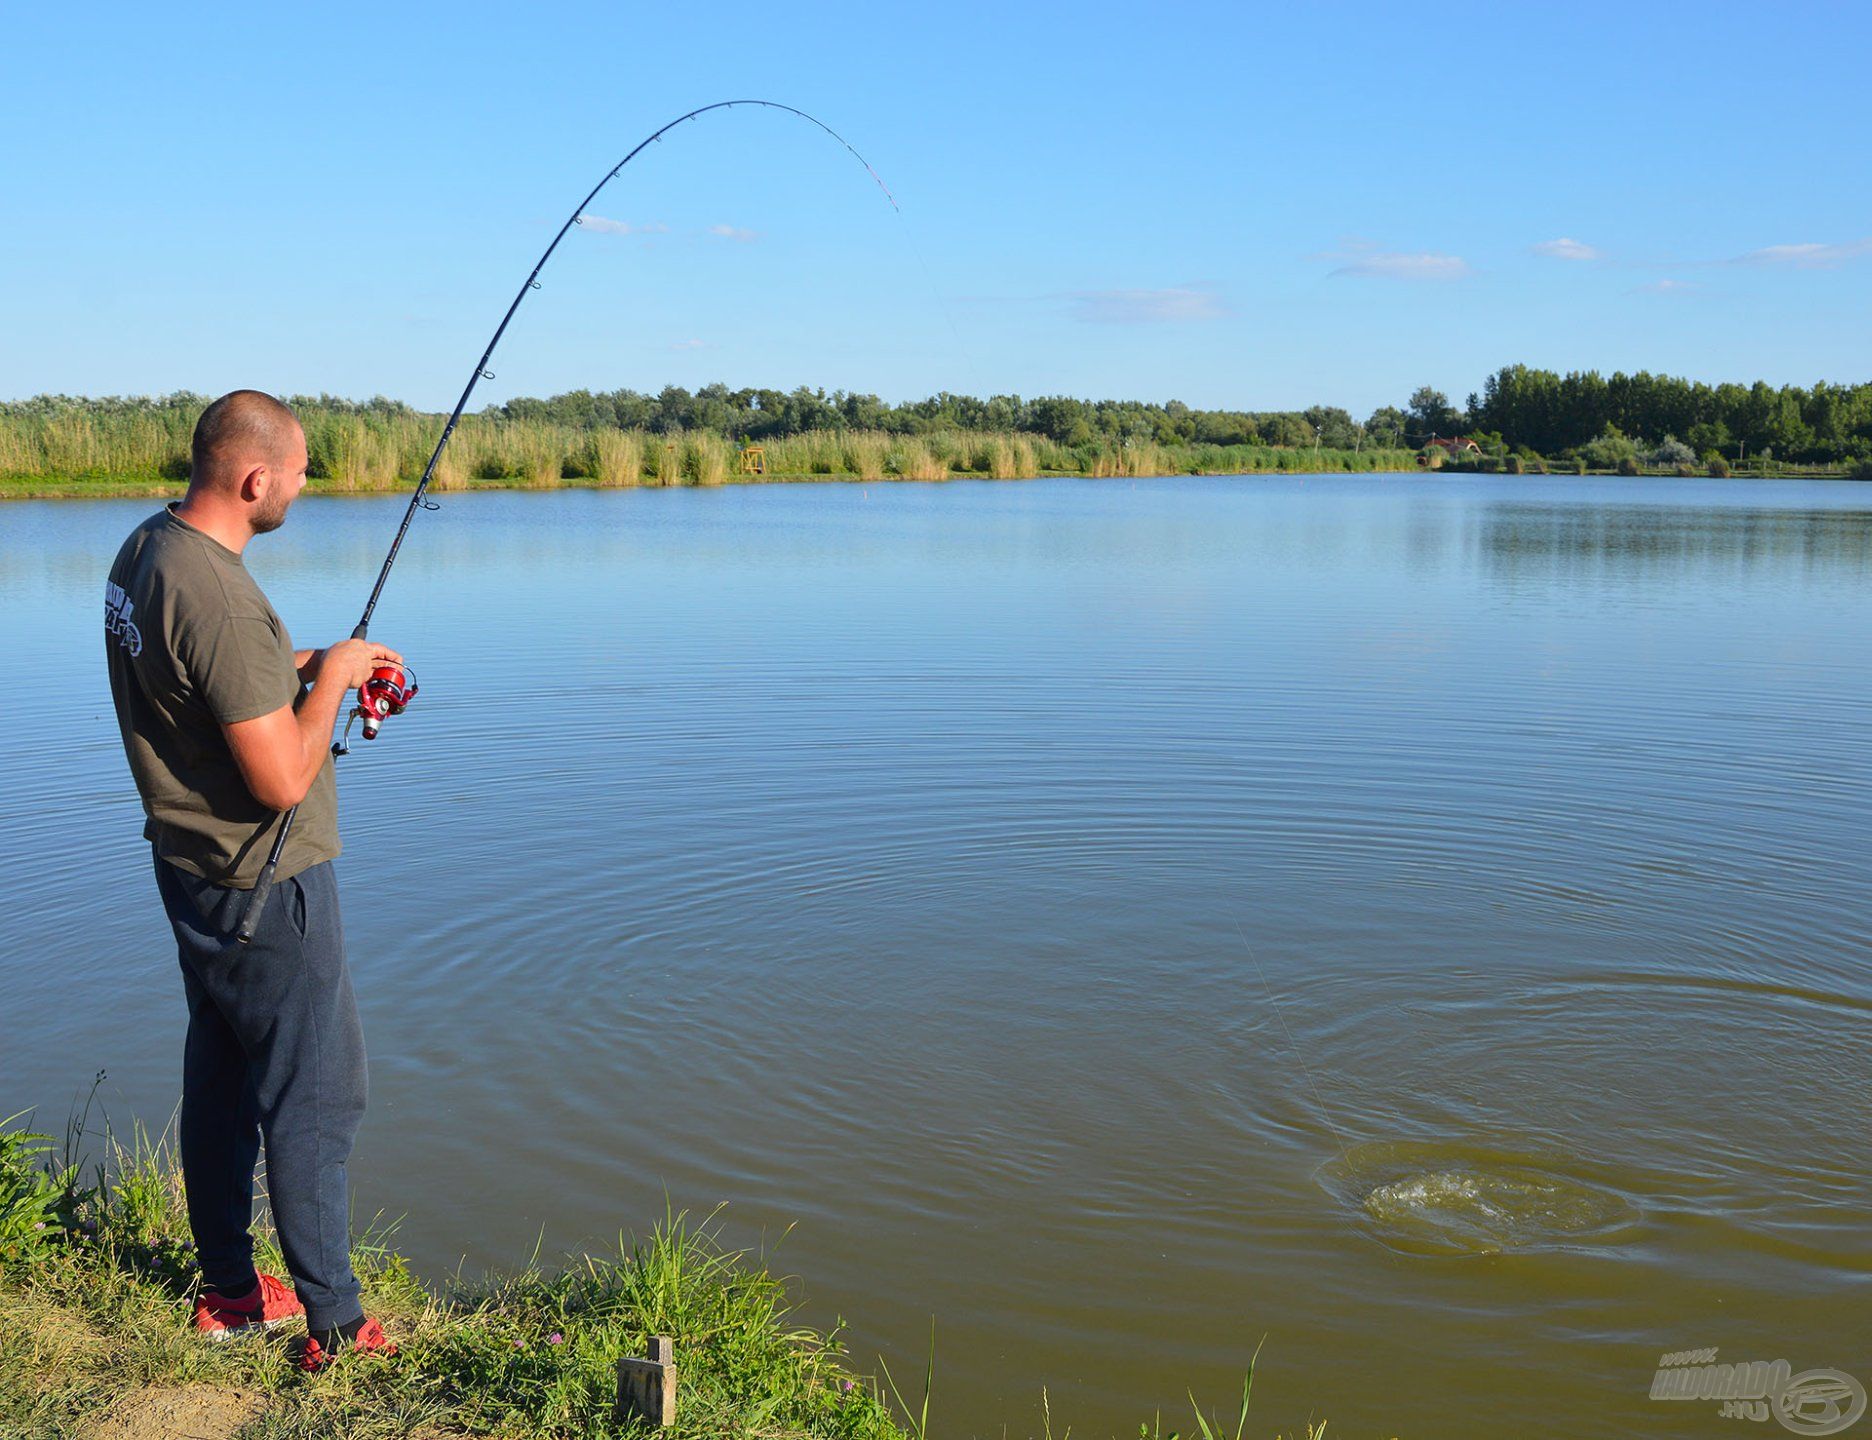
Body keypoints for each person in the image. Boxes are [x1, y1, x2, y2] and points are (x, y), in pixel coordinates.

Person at [104, 390, 403, 1370]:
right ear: (254, 478)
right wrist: (326, 689)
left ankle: (230, 1289)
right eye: (304, 470)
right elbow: (278, 778)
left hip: (193, 873)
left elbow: (213, 688)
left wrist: (324, 666)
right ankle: (337, 1326)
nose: (309, 485)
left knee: (225, 1074)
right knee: (320, 1090)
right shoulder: (221, 593)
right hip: (266, 884)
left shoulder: (146, 550)